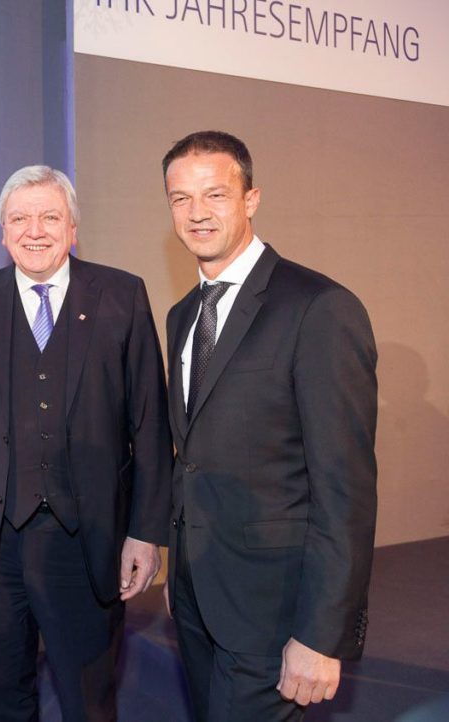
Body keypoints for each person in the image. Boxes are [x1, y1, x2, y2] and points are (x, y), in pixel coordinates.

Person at [0, 165, 173, 721]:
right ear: (2, 231)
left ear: (73, 228)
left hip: (88, 541)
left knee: (88, 698)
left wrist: (145, 532)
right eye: (19, 218)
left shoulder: (122, 294)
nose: (33, 230)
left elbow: (150, 424)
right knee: (0, 696)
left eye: (49, 216)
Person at [161, 130, 378, 721]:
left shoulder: (319, 309)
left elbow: (345, 489)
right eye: (180, 199)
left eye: (215, 195)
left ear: (251, 199)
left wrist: (321, 635)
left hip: (276, 613)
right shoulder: (183, 316)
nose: (197, 213)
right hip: (197, 600)